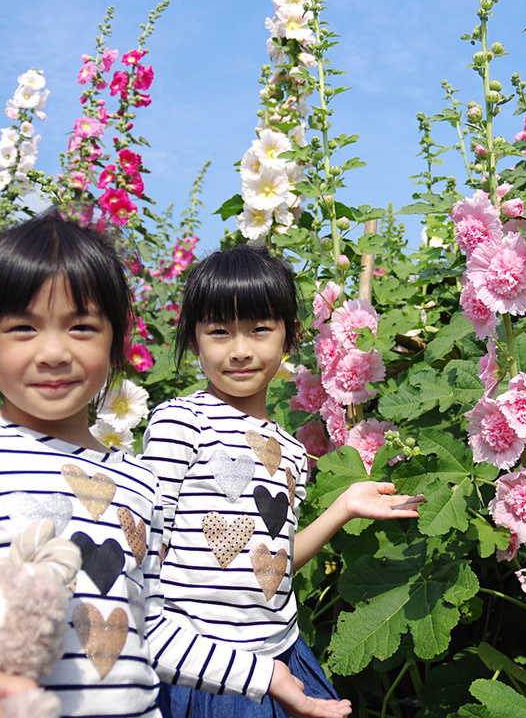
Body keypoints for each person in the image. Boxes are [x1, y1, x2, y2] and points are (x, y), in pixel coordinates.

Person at [0, 211, 351, 718]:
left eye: (81, 327)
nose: (54, 352)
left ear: (115, 344)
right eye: (21, 328)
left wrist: (267, 676)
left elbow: (148, 625)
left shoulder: (135, 481)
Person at [140, 244, 424, 718]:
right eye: (219, 332)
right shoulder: (180, 422)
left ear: (289, 338)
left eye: (259, 329)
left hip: (281, 651)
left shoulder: (291, 451)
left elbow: (275, 562)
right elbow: (147, 547)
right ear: (193, 341)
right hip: (208, 666)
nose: (240, 350)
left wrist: (344, 507)